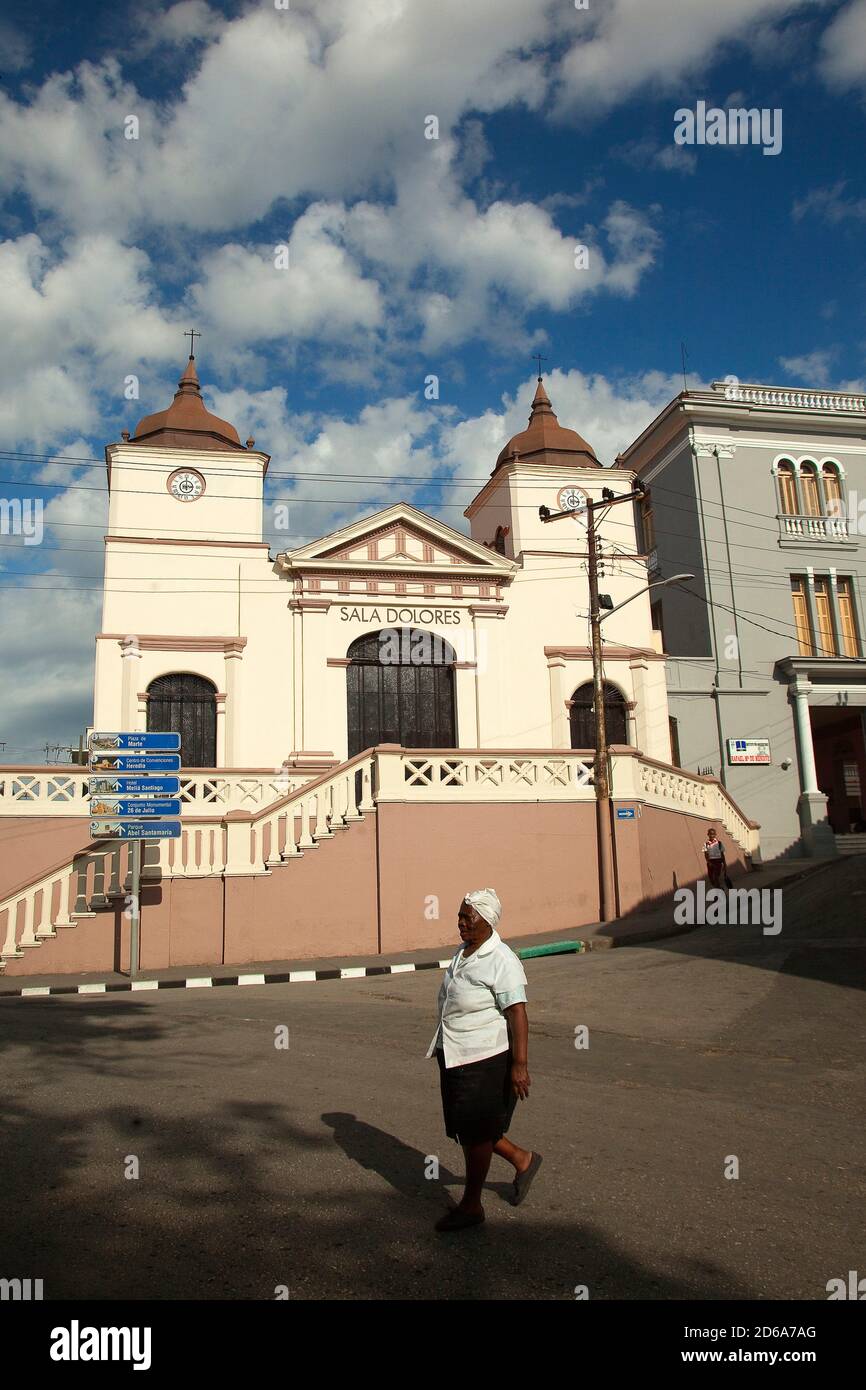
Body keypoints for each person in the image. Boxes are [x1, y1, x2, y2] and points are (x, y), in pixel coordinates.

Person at [427, 888, 542, 1233]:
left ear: (487, 920)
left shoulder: (501, 959)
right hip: (455, 1052)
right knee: (470, 1128)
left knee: (475, 1132)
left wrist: (519, 1066)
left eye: (468, 917)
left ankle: (472, 1205)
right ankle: (522, 1159)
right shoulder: (464, 953)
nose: (460, 923)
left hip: (484, 1058)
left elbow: (517, 1013)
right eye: (460, 916)